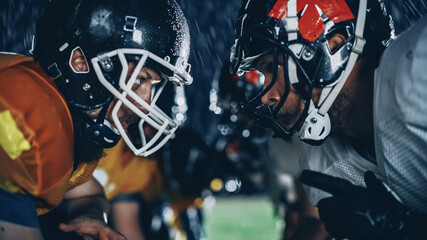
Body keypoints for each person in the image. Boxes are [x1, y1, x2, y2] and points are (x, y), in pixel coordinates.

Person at [229, 0, 427, 239]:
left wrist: (408, 230)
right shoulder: (323, 164)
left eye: (272, 66)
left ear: (332, 46)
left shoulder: (418, 70)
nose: (266, 98)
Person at [0, 0, 192, 238]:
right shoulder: (25, 112)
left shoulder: (62, 119)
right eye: (141, 79)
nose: (146, 103)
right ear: (79, 63)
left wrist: (92, 214)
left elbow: (87, 192)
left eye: (153, 86)